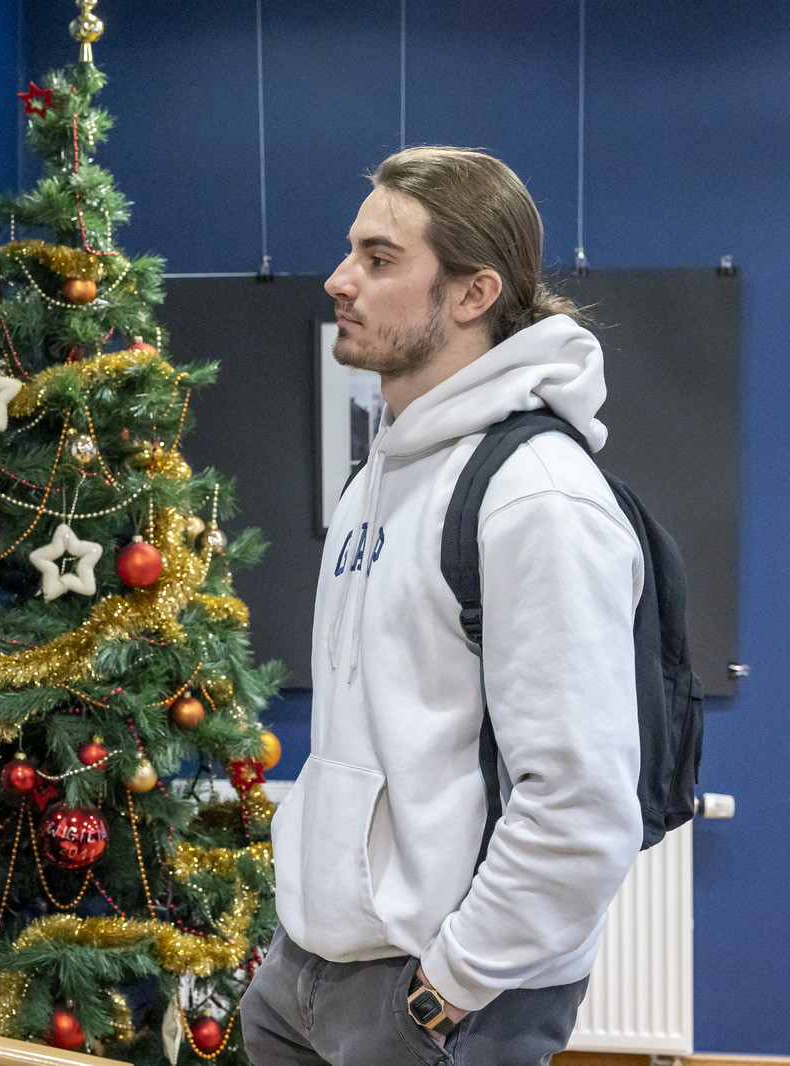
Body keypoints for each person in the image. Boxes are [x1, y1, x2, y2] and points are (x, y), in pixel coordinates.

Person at [240, 147, 645, 1065]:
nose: (340, 280)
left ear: (472, 294)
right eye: (352, 251)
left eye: (380, 259)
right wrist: (297, 941)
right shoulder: (381, 472)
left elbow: (580, 804)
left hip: (433, 999)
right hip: (306, 973)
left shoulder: (538, 495)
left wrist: (447, 988)